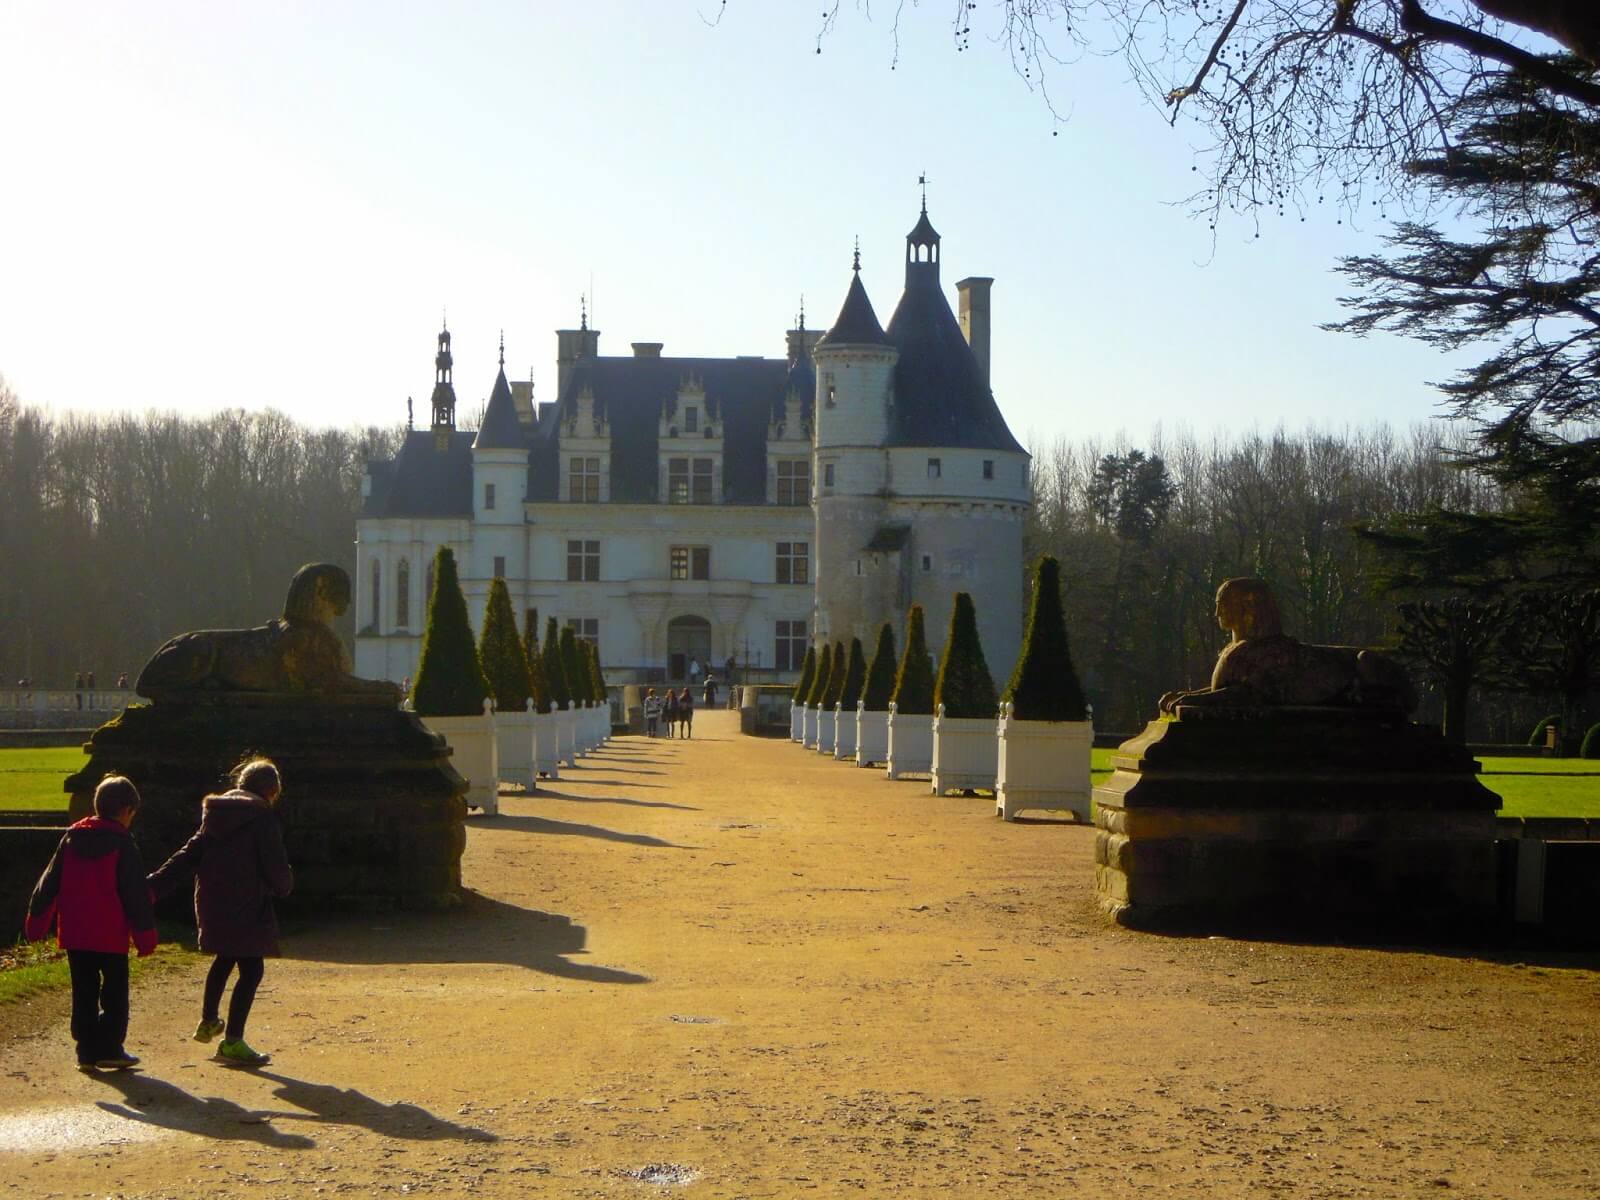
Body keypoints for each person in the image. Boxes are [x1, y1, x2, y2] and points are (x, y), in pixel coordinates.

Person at [149, 757, 293, 1067]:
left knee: (225, 957)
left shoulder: (216, 815)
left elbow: (187, 855)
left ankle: (209, 1018)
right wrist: (284, 885)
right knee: (252, 970)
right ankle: (233, 1041)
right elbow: (274, 862)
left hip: (213, 902)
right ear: (271, 791)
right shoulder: (263, 818)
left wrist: (152, 886)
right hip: (248, 904)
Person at [25, 775, 158, 1071]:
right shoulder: (123, 843)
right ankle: (110, 1047)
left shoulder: (71, 838)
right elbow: (134, 894)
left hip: (75, 932)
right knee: (114, 995)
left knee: (83, 992)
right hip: (110, 934)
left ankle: (85, 1051)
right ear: (126, 810)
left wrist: (36, 921)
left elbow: (48, 883)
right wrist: (145, 937)